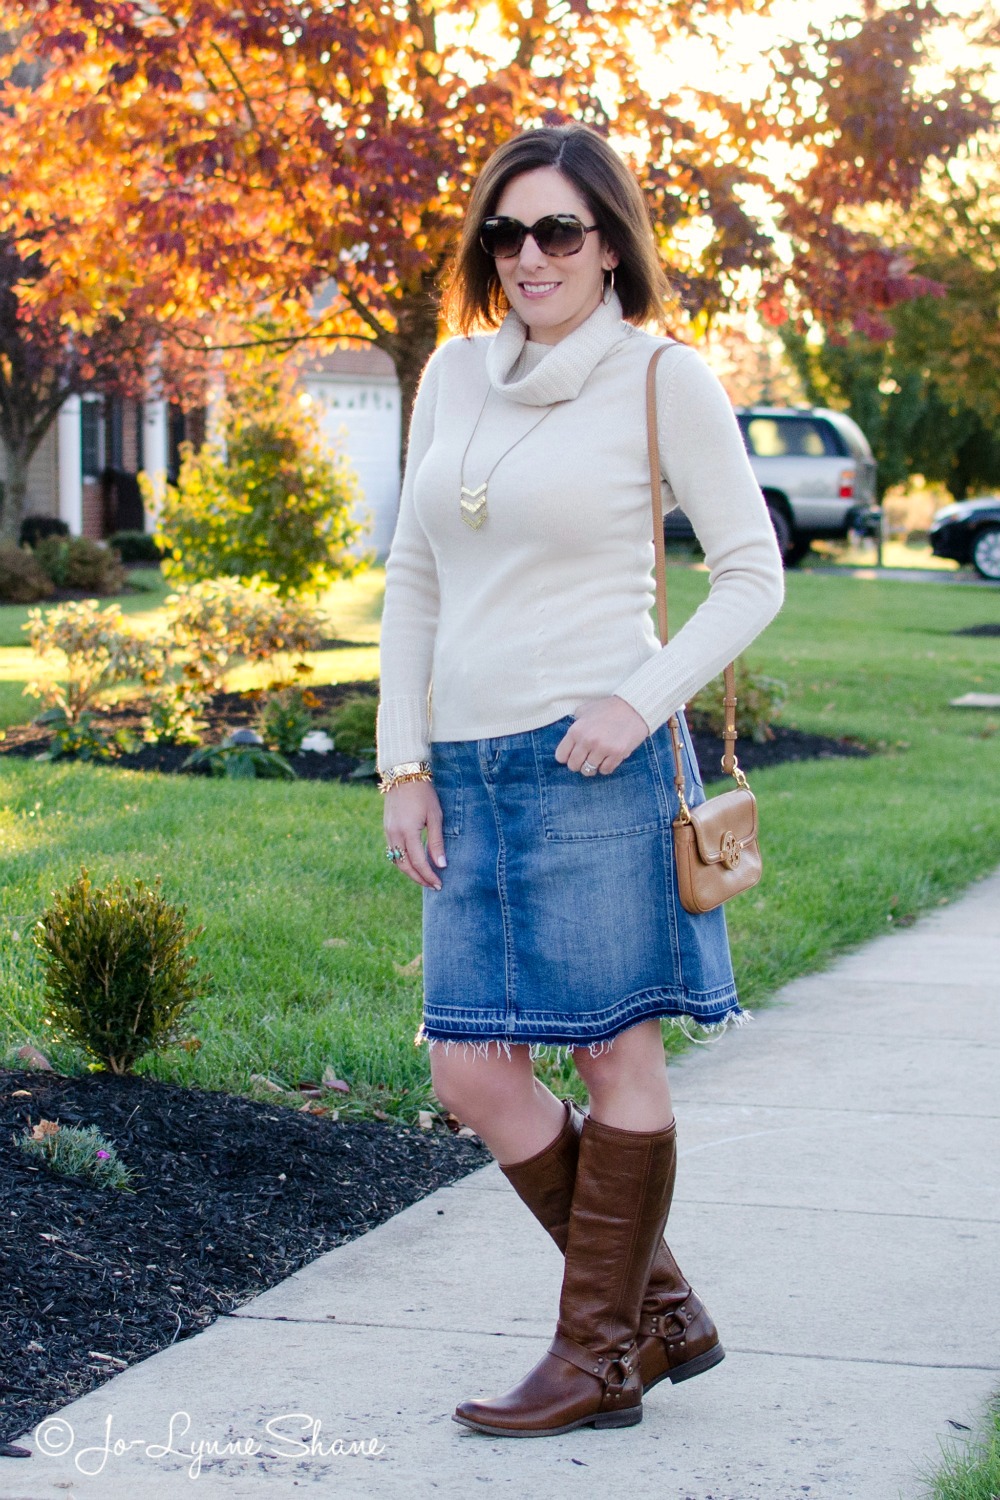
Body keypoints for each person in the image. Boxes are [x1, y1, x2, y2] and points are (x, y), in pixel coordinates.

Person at [377, 123, 784, 1438]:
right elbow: (415, 577)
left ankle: (599, 1356)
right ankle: (656, 1316)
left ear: (610, 242)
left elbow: (751, 572)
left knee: (614, 1052)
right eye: (506, 230)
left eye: (558, 230)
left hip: (595, 761)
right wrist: (403, 763)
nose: (529, 254)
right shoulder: (453, 374)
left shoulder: (664, 378)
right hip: (471, 771)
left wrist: (638, 698)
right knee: (469, 1068)